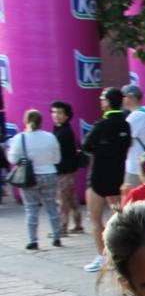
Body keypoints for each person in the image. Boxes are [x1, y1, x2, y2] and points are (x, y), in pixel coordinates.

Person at [81, 87, 133, 272]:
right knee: (118, 217)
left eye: (103, 99)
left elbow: (86, 146)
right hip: (117, 177)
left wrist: (100, 149)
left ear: (108, 102)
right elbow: (127, 146)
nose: (101, 102)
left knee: (94, 219)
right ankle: (118, 254)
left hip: (97, 177)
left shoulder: (101, 125)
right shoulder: (125, 125)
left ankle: (102, 257)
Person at [7, 109, 62, 251]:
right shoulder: (50, 137)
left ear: (26, 121)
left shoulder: (20, 138)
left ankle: (33, 240)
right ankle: (57, 236)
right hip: (49, 174)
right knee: (52, 206)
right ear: (41, 121)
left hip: (29, 177)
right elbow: (57, 158)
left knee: (31, 208)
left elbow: (12, 159)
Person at [51, 100, 84, 235]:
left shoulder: (64, 132)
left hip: (64, 170)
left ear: (66, 115)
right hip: (68, 169)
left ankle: (62, 228)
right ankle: (77, 224)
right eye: (53, 112)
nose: (56, 115)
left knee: (62, 199)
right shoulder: (61, 129)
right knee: (70, 197)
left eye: (59, 112)